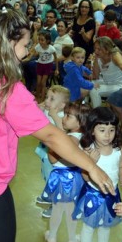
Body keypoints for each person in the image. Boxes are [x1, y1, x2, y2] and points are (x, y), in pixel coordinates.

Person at [0, 9, 115, 242]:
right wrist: (91, 166)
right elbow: (51, 135)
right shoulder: (8, 89)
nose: (27, 51)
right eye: (25, 45)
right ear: (8, 43)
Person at [73, 107, 122, 242]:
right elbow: (85, 178)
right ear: (92, 130)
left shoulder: (118, 150)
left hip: (111, 194)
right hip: (93, 195)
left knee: (106, 225)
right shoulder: (88, 151)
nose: (107, 135)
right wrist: (91, 162)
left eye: (112, 130)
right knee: (89, 226)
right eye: (102, 130)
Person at [43, 102, 91, 242]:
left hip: (62, 177)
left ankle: (52, 236)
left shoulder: (71, 139)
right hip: (75, 176)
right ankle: (71, 239)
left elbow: (52, 158)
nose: (63, 118)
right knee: (71, 209)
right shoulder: (82, 136)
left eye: (68, 116)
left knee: (57, 208)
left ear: (80, 121)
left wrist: (50, 145)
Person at [35, 85, 70, 219]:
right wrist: (40, 106)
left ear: (61, 105)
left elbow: (63, 133)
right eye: (47, 97)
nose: (47, 101)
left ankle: (56, 206)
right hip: (45, 150)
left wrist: (54, 116)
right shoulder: (47, 109)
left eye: (52, 99)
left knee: (54, 179)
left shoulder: (62, 116)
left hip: (55, 155)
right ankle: (49, 195)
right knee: (46, 175)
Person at [89, 36, 122, 108]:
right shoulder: (99, 57)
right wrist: (96, 58)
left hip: (120, 85)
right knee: (89, 84)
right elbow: (96, 76)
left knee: (93, 89)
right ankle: (87, 106)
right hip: (108, 83)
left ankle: (97, 113)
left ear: (107, 50)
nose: (96, 51)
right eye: (95, 48)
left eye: (99, 49)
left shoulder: (115, 55)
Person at [24, 31, 58, 103]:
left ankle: (42, 99)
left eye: (42, 40)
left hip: (48, 65)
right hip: (40, 64)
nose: (40, 41)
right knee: (38, 82)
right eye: (39, 39)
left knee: (43, 82)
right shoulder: (38, 47)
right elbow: (32, 55)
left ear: (48, 41)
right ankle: (37, 97)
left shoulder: (51, 48)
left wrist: (57, 69)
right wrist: (25, 59)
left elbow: (56, 58)